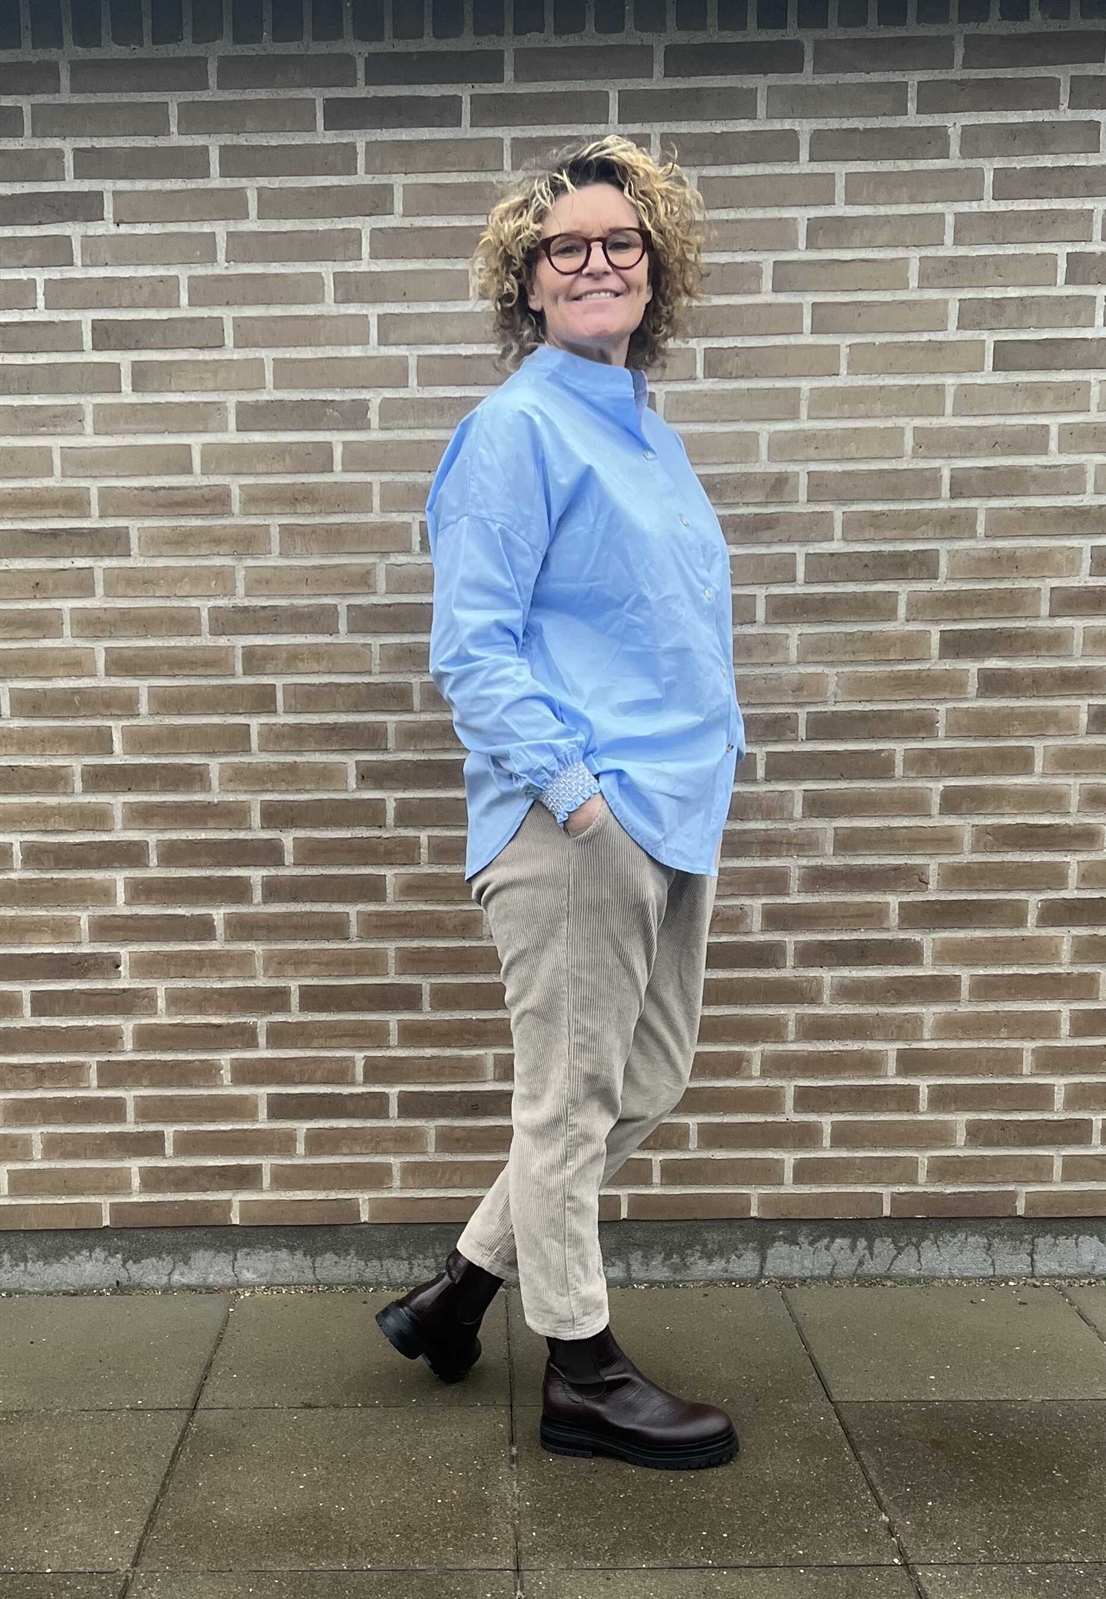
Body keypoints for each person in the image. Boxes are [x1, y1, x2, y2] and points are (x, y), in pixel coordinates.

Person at [375, 134, 746, 1472]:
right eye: (565, 247)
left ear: (656, 269)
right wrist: (578, 799)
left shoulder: (644, 431)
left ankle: (458, 1293)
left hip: (672, 810)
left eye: (620, 242)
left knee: (639, 1082)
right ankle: (580, 1373)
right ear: (527, 281)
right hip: (580, 820)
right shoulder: (515, 430)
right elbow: (473, 648)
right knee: (572, 1101)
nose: (597, 263)